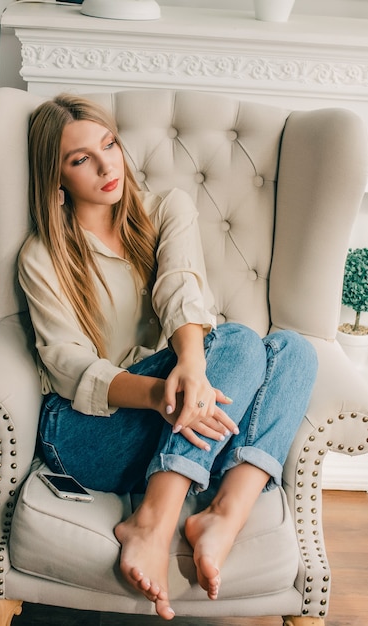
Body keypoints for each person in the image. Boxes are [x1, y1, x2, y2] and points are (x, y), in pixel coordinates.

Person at [18, 93, 318, 621]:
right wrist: (161, 394)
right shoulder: (42, 255)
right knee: (241, 343)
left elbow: (180, 288)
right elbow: (68, 366)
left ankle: (224, 514)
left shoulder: (166, 207)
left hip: (175, 421)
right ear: (56, 178)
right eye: (80, 158)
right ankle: (153, 521)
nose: (108, 165)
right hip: (87, 434)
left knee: (295, 350)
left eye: (109, 144)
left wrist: (192, 370)